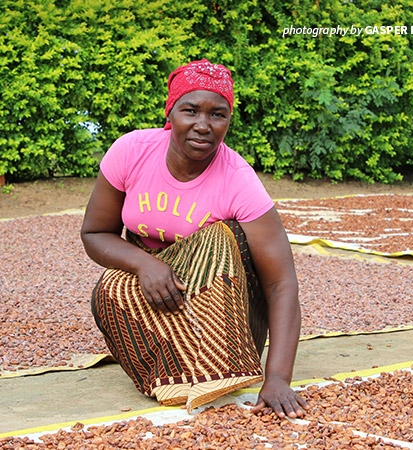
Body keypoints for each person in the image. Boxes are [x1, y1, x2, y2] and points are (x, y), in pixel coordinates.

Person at [81, 59, 309, 418]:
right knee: (110, 288)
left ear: (228, 121)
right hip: (159, 293)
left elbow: (281, 283)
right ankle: (171, 371)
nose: (203, 126)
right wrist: (144, 263)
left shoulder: (238, 179)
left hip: (222, 310)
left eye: (217, 114)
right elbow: (95, 233)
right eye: (190, 111)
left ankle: (221, 363)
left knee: (222, 235)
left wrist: (279, 377)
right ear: (170, 112)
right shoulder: (132, 151)